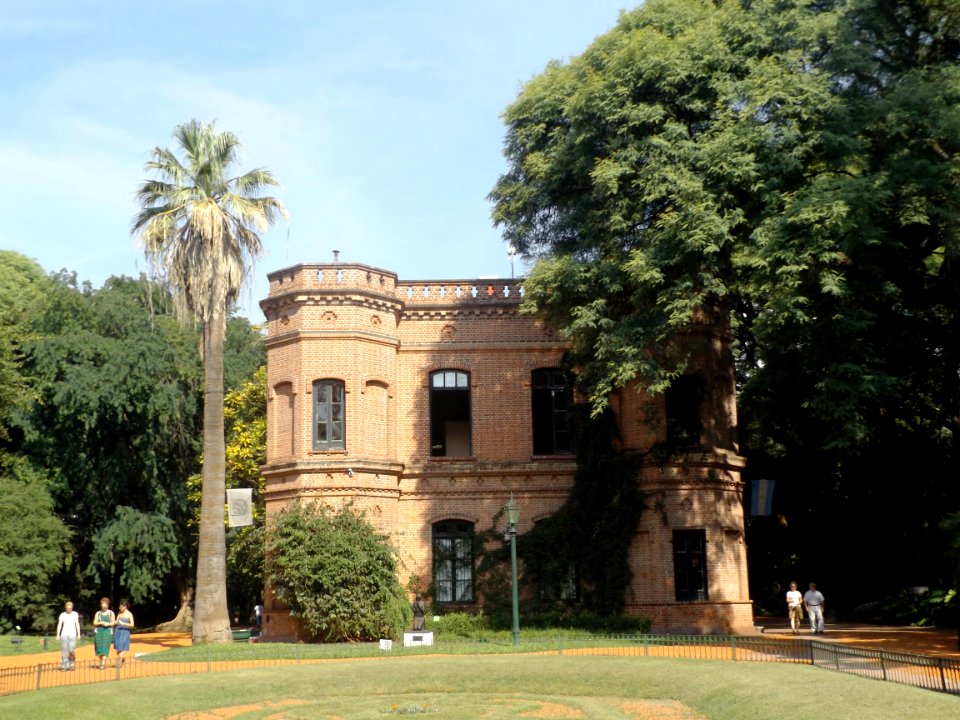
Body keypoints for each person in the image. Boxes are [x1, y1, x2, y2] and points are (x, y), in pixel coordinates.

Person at [56, 600, 81, 671]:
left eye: (70, 608)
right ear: (65, 607)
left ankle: (72, 663)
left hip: (72, 634)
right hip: (64, 634)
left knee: (71, 650)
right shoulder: (62, 615)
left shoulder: (75, 614)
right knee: (64, 650)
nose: (69, 609)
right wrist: (58, 634)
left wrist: (78, 634)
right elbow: (59, 625)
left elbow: (77, 624)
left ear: (72, 608)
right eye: (67, 608)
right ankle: (64, 665)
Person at [93, 597, 115, 669]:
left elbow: (113, 623)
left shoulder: (111, 613)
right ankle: (101, 660)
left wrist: (107, 624)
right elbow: (94, 623)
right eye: (102, 604)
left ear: (107, 605)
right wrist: (100, 622)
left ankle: (103, 663)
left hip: (107, 631)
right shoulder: (98, 613)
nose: (103, 606)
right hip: (99, 631)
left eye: (105, 604)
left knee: (105, 646)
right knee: (98, 647)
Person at [114, 599, 134, 666]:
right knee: (118, 649)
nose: (119, 608)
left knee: (122, 647)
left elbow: (132, 625)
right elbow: (116, 622)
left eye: (121, 607)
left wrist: (124, 624)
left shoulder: (129, 614)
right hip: (118, 631)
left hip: (125, 632)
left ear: (125, 606)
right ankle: (122, 659)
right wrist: (110, 622)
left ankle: (119, 662)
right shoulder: (119, 613)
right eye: (119, 607)